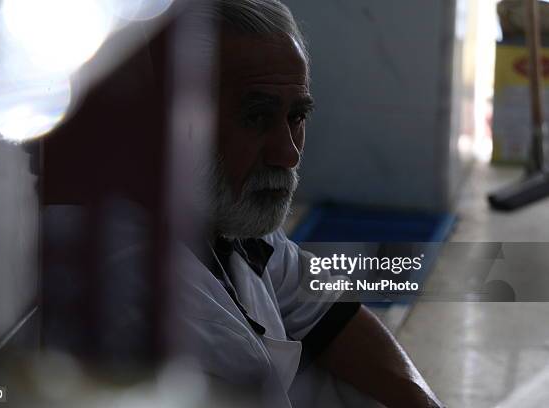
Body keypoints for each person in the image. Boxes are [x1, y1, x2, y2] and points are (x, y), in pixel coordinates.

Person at [169, 1, 446, 407]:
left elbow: (330, 313)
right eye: (255, 117)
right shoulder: (163, 301)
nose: (288, 153)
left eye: (296, 116)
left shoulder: (233, 224)